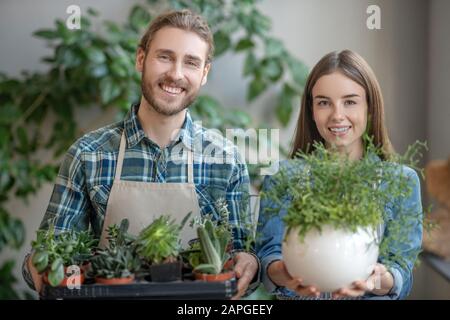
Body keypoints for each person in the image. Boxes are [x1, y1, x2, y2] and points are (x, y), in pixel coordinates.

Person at [23, 9, 259, 299]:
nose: (176, 73)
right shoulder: (88, 155)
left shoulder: (226, 161)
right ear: (140, 59)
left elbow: (241, 259)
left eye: (191, 62)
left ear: (204, 73)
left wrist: (251, 263)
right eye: (165, 57)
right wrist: (39, 263)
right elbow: (52, 249)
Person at [256, 50, 423, 300]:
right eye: (324, 102)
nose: (337, 115)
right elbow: (269, 258)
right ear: (311, 110)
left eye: (350, 101)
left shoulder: (402, 181)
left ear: (370, 108)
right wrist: (285, 273)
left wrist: (373, 279)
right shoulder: (283, 177)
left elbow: (401, 274)